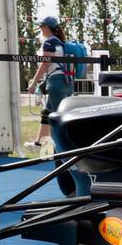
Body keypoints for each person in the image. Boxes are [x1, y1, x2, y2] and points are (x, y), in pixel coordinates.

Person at [26, 15, 72, 150]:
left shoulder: (49, 43)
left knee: (59, 119)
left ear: (47, 27)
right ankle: (38, 144)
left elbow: (45, 64)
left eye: (41, 26)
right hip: (66, 82)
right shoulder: (60, 43)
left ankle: (66, 149)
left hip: (56, 83)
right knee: (47, 113)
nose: (40, 29)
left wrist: (33, 83)